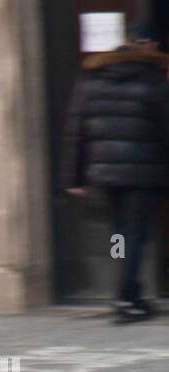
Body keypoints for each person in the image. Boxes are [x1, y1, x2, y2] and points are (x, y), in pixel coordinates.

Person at [62, 18, 169, 323]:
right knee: (135, 235)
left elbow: (76, 128)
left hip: (106, 173)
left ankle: (127, 292)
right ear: (149, 45)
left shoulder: (94, 76)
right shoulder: (151, 78)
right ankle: (125, 298)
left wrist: (74, 176)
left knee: (120, 235)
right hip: (142, 172)